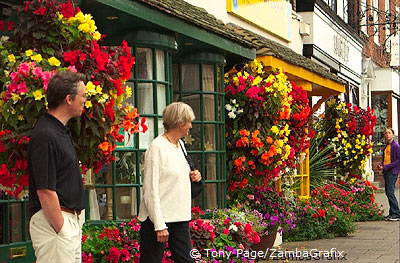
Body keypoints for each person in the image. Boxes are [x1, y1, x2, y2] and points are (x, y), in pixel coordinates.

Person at [28, 71, 87, 263]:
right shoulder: (46, 134)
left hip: (67, 221)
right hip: (55, 223)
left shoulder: (59, 130)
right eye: (83, 96)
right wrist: (61, 228)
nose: (85, 100)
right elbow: (45, 190)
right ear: (69, 99)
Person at [138, 102, 202, 263]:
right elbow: (150, 189)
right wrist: (159, 225)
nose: (190, 126)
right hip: (157, 219)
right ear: (180, 123)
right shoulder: (157, 147)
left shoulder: (179, 144)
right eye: (188, 122)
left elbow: (176, 178)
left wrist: (194, 176)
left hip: (179, 217)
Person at [379, 128, 400, 221]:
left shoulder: (396, 146)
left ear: (393, 135)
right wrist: (381, 165)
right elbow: (386, 159)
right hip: (387, 171)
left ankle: (396, 214)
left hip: (393, 171)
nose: (387, 134)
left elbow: (398, 161)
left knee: (390, 192)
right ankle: (392, 213)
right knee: (388, 192)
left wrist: (387, 167)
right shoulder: (386, 146)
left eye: (389, 133)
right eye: (386, 133)